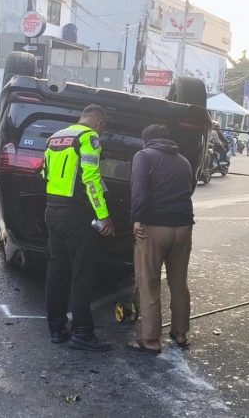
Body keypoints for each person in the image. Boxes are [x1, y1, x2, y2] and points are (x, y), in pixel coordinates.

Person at [44, 104, 114, 351]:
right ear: (99, 124)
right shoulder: (89, 137)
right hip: (76, 215)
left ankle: (56, 329)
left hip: (52, 210)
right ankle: (82, 333)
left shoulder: (56, 137)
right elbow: (90, 177)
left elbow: (45, 173)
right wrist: (103, 215)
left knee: (57, 270)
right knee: (82, 272)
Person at [127, 124, 194, 354]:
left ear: (146, 141)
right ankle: (180, 333)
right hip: (184, 228)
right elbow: (190, 188)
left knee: (149, 282)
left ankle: (151, 340)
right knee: (178, 282)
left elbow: (139, 190)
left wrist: (137, 219)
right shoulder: (184, 161)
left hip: (154, 227)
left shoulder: (144, 156)